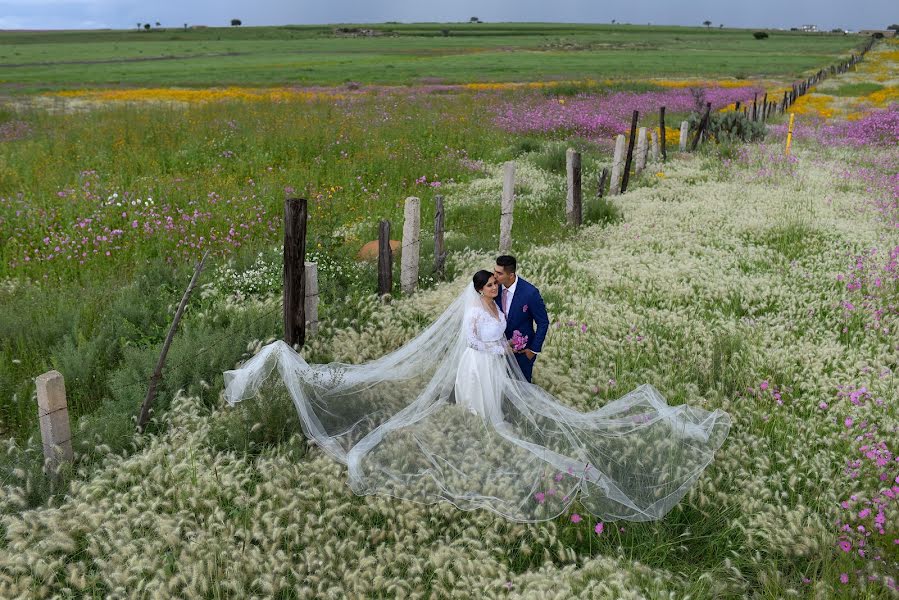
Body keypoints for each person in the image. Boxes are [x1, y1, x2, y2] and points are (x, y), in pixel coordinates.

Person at [224, 269, 731, 523]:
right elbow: (471, 337)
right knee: (478, 408)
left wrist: (508, 341)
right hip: (478, 364)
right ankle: (476, 432)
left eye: (494, 282)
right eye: (489, 283)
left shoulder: (499, 306)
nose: (493, 286)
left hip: (493, 363)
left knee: (494, 410)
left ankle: (487, 429)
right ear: (480, 288)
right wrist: (497, 343)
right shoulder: (474, 312)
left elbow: (498, 330)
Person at [492, 255, 548, 383]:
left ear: (511, 275)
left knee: (522, 389)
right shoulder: (494, 288)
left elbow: (543, 322)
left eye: (499, 273)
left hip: (522, 353)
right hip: (497, 351)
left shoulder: (530, 293)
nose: (494, 275)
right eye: (494, 270)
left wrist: (533, 350)